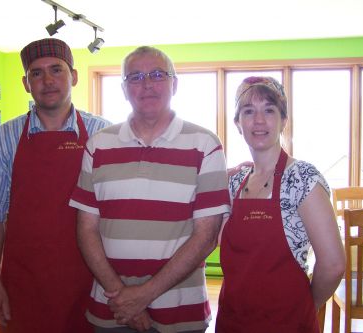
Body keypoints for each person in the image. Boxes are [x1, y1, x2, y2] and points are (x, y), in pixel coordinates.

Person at [69, 46, 230, 333]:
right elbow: (86, 230)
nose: (146, 84)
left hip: (181, 313)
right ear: (123, 89)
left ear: (174, 84)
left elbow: (206, 237)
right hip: (111, 309)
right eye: (135, 77)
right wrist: (123, 298)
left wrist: (142, 296)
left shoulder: (206, 144)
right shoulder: (98, 145)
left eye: (157, 74)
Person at [0, 38, 111, 333]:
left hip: (93, 283)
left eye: (56, 70)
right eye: (36, 73)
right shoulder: (2, 141)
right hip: (24, 285)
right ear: (25, 83)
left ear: (73, 76)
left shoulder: (104, 135)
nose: (47, 80)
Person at [215, 76, 346, 332]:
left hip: (288, 323)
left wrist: (307, 304)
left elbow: (333, 264)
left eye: (269, 110)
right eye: (249, 111)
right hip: (233, 322)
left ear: (283, 120)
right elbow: (216, 239)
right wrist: (215, 179)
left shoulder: (302, 179)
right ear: (238, 124)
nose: (259, 120)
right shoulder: (234, 183)